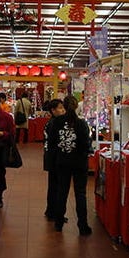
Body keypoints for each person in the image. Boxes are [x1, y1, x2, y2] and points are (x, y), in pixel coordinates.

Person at [51, 94, 93, 236]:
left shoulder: (57, 122)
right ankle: (82, 225)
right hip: (79, 163)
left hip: (62, 161)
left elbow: (52, 142)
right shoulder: (81, 124)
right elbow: (86, 144)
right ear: (76, 107)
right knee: (80, 194)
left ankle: (58, 223)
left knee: (62, 192)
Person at [42, 98, 66, 221]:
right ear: (53, 110)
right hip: (55, 158)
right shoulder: (54, 123)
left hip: (53, 158)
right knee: (56, 186)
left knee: (54, 185)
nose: (63, 110)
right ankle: (54, 212)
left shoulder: (53, 122)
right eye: (60, 108)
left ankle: (51, 210)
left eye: (63, 108)